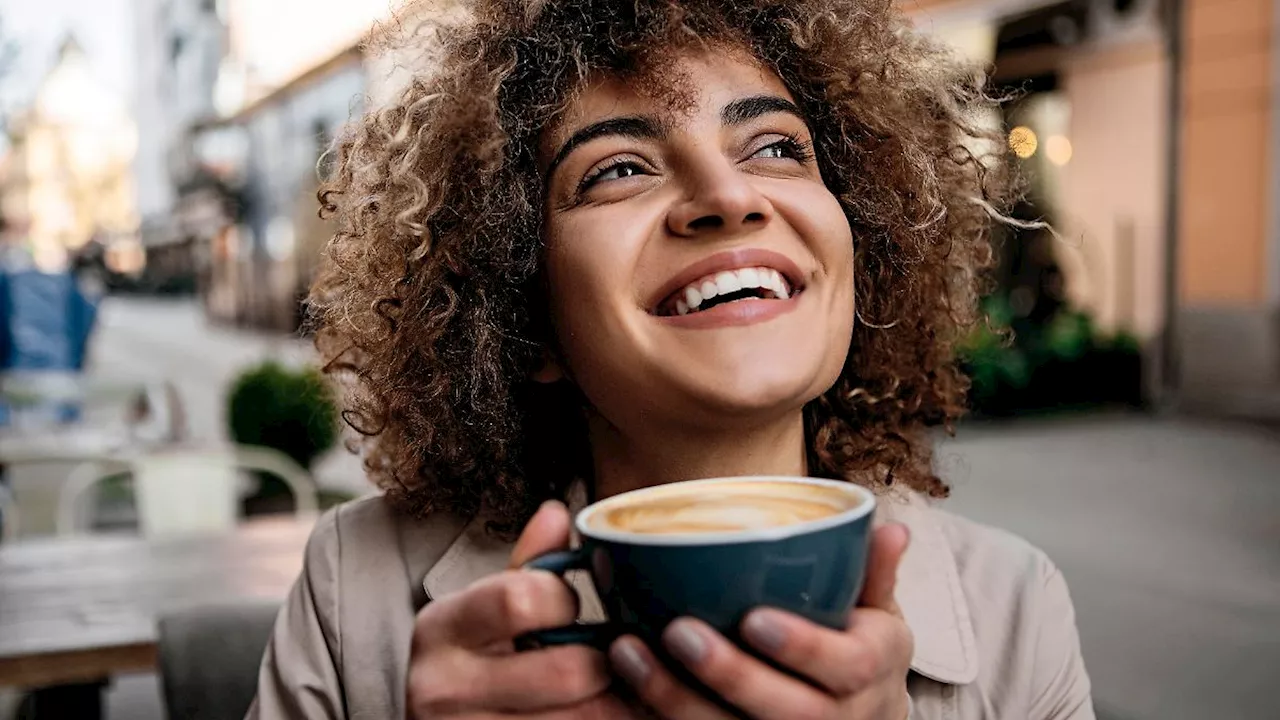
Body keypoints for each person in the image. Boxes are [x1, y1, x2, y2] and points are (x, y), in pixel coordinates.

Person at [248, 0, 1094, 718]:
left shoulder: (1016, 609)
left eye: (775, 147)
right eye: (617, 169)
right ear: (522, 313)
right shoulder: (347, 593)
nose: (728, 198)